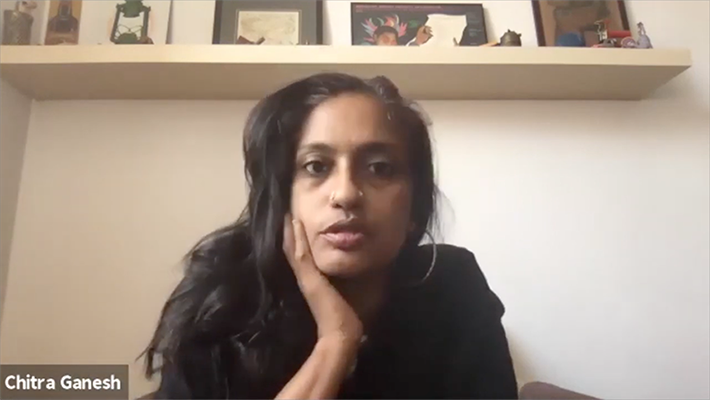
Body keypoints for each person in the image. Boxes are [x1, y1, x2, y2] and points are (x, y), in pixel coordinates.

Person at [141, 73, 518, 399]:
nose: (346, 194)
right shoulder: (222, 295)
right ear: (280, 197)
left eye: (380, 168)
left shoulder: (453, 286)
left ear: (415, 208)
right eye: (316, 166)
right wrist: (336, 343)